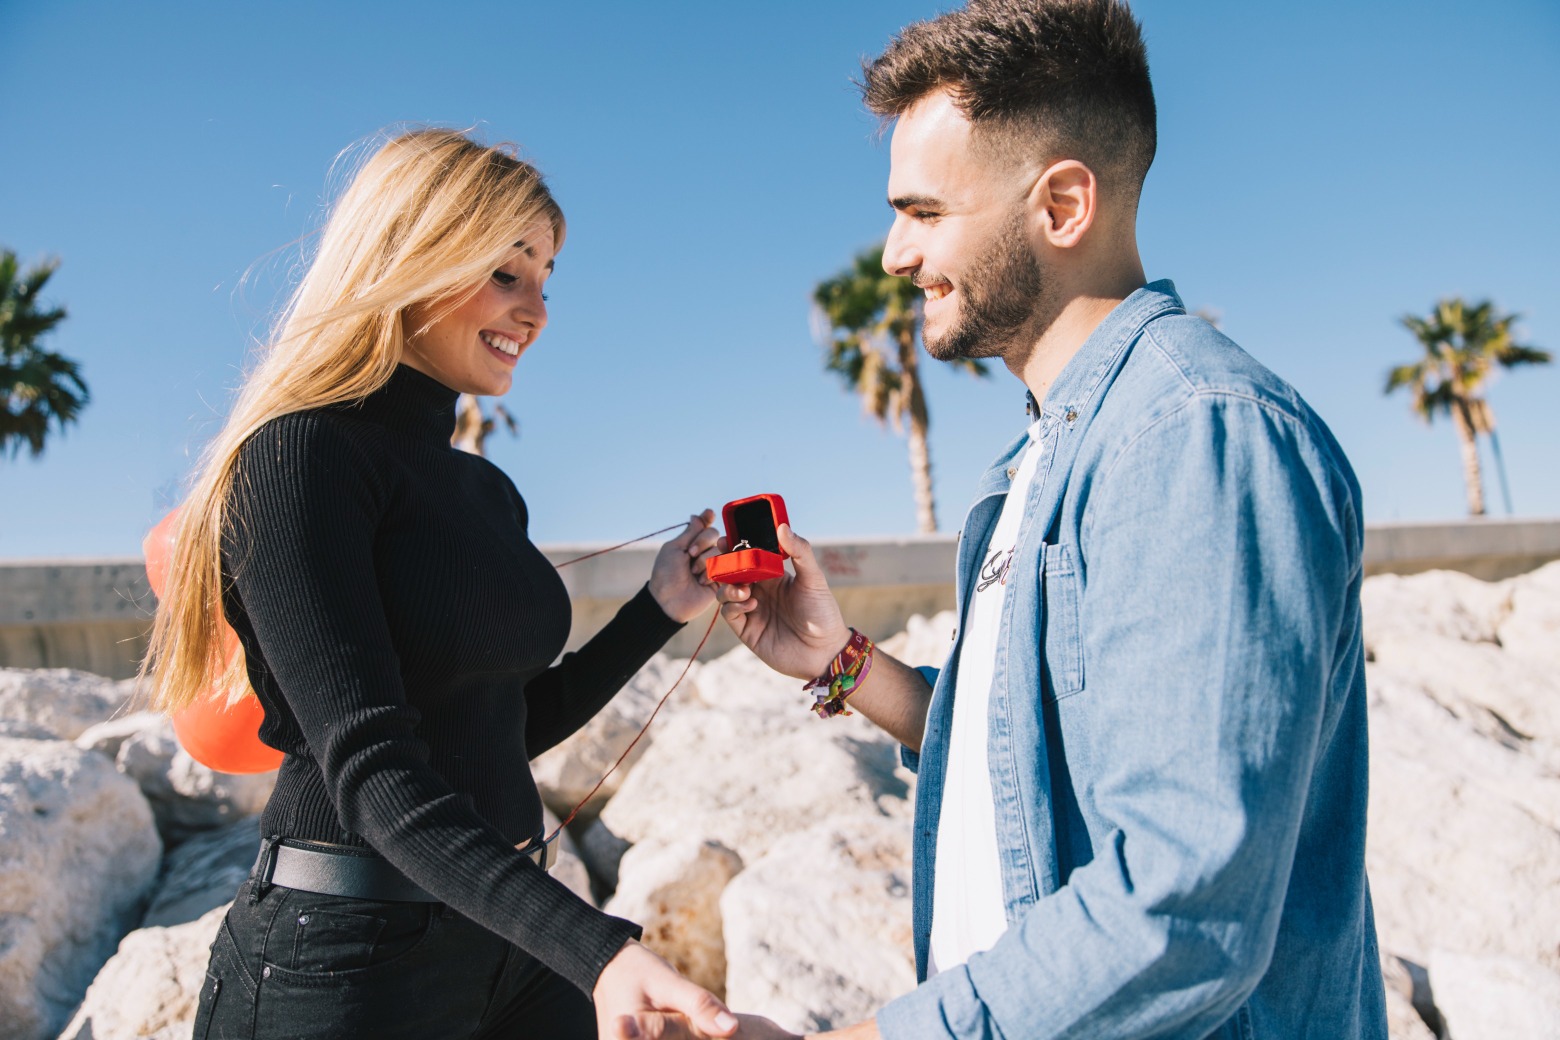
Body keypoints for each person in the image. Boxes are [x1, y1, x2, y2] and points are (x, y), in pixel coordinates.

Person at [628, 1, 1388, 1038]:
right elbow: (1039, 762)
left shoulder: (1195, 435)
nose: (895, 254)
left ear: (1063, 203)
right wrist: (841, 662)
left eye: (925, 212)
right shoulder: (1039, 460)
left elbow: (1184, 904)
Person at [144, 128, 742, 1040]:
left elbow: (502, 728)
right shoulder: (298, 456)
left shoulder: (484, 489)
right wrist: (600, 950)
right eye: (507, 272)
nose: (536, 310)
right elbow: (374, 772)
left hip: (511, 934)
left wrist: (659, 608)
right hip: (343, 963)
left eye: (545, 279)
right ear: (412, 255)